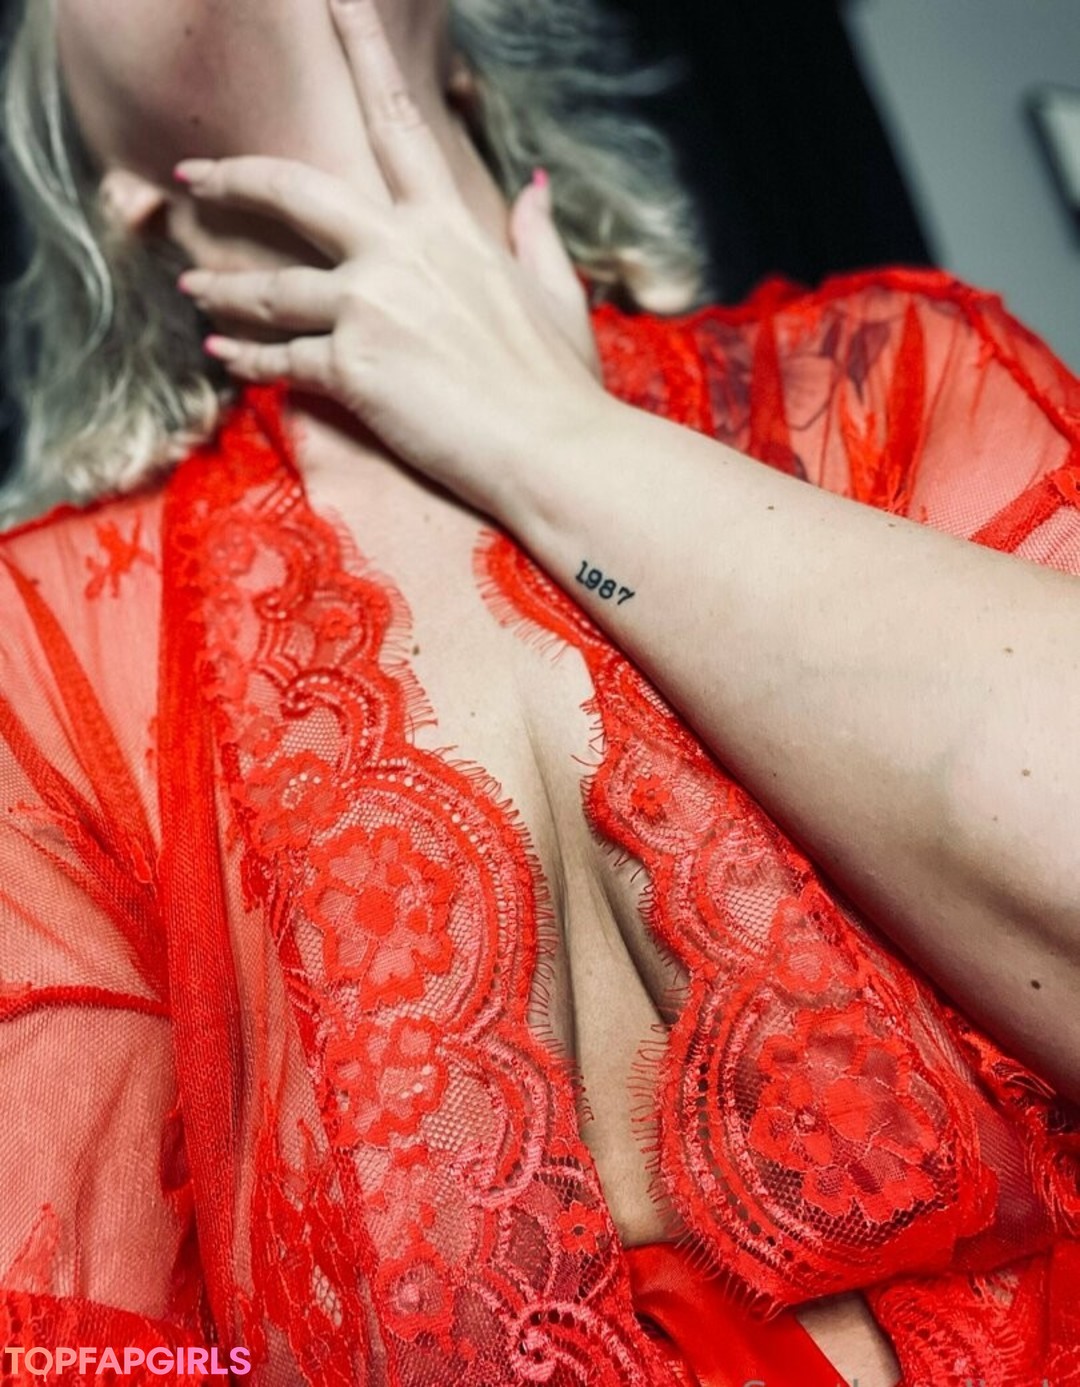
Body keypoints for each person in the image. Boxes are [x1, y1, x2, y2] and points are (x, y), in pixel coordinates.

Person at [0, 0, 1078, 1383]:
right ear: (115, 188)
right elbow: (80, 1355)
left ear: (465, 53)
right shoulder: (40, 652)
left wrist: (542, 430)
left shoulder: (888, 379)